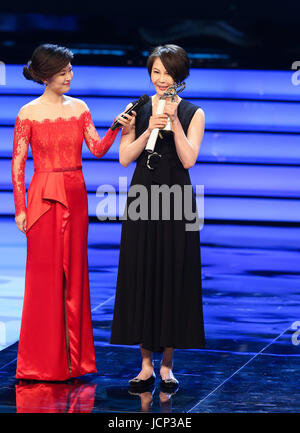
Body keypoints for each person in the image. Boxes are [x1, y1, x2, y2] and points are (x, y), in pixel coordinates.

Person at [11, 44, 133, 381]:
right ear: (46, 75)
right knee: (44, 279)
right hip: (42, 197)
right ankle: (40, 363)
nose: (70, 75)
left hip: (76, 193)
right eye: (63, 71)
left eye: (69, 70)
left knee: (75, 277)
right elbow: (18, 165)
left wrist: (116, 128)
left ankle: (75, 362)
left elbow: (96, 149)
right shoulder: (27, 113)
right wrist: (20, 209)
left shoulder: (80, 108)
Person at [110, 44, 205, 391]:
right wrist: (148, 127)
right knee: (142, 270)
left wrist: (174, 123)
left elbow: (189, 158)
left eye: (166, 72)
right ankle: (145, 365)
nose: (160, 78)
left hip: (177, 198)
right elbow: (124, 157)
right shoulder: (137, 107)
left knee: (172, 272)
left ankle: (167, 365)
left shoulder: (195, 112)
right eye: (155, 71)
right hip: (142, 195)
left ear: (179, 76)